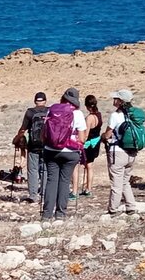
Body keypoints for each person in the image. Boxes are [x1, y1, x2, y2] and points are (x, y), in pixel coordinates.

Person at [40, 88, 87, 221]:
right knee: (65, 181)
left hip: (51, 150)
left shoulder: (52, 110)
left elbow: (43, 134)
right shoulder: (78, 114)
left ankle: (47, 214)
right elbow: (82, 138)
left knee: (51, 180)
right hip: (70, 152)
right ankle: (60, 214)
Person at [102, 90, 138, 215]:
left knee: (116, 183)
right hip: (131, 153)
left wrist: (103, 137)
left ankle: (113, 209)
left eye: (116, 98)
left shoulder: (115, 116)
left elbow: (108, 135)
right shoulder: (133, 116)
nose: (114, 100)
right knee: (125, 181)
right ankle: (131, 207)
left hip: (117, 152)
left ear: (121, 101)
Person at [13, 92, 49, 204]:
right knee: (45, 170)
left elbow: (23, 129)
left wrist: (17, 138)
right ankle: (44, 194)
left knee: (32, 170)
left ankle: (33, 196)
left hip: (33, 146)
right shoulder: (49, 111)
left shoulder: (30, 112)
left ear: (35, 101)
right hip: (47, 145)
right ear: (45, 101)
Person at [79, 95, 103, 197]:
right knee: (89, 165)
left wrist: (80, 141)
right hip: (96, 142)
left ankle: (87, 188)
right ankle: (88, 187)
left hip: (89, 144)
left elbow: (86, 135)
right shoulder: (99, 115)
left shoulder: (89, 118)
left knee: (88, 165)